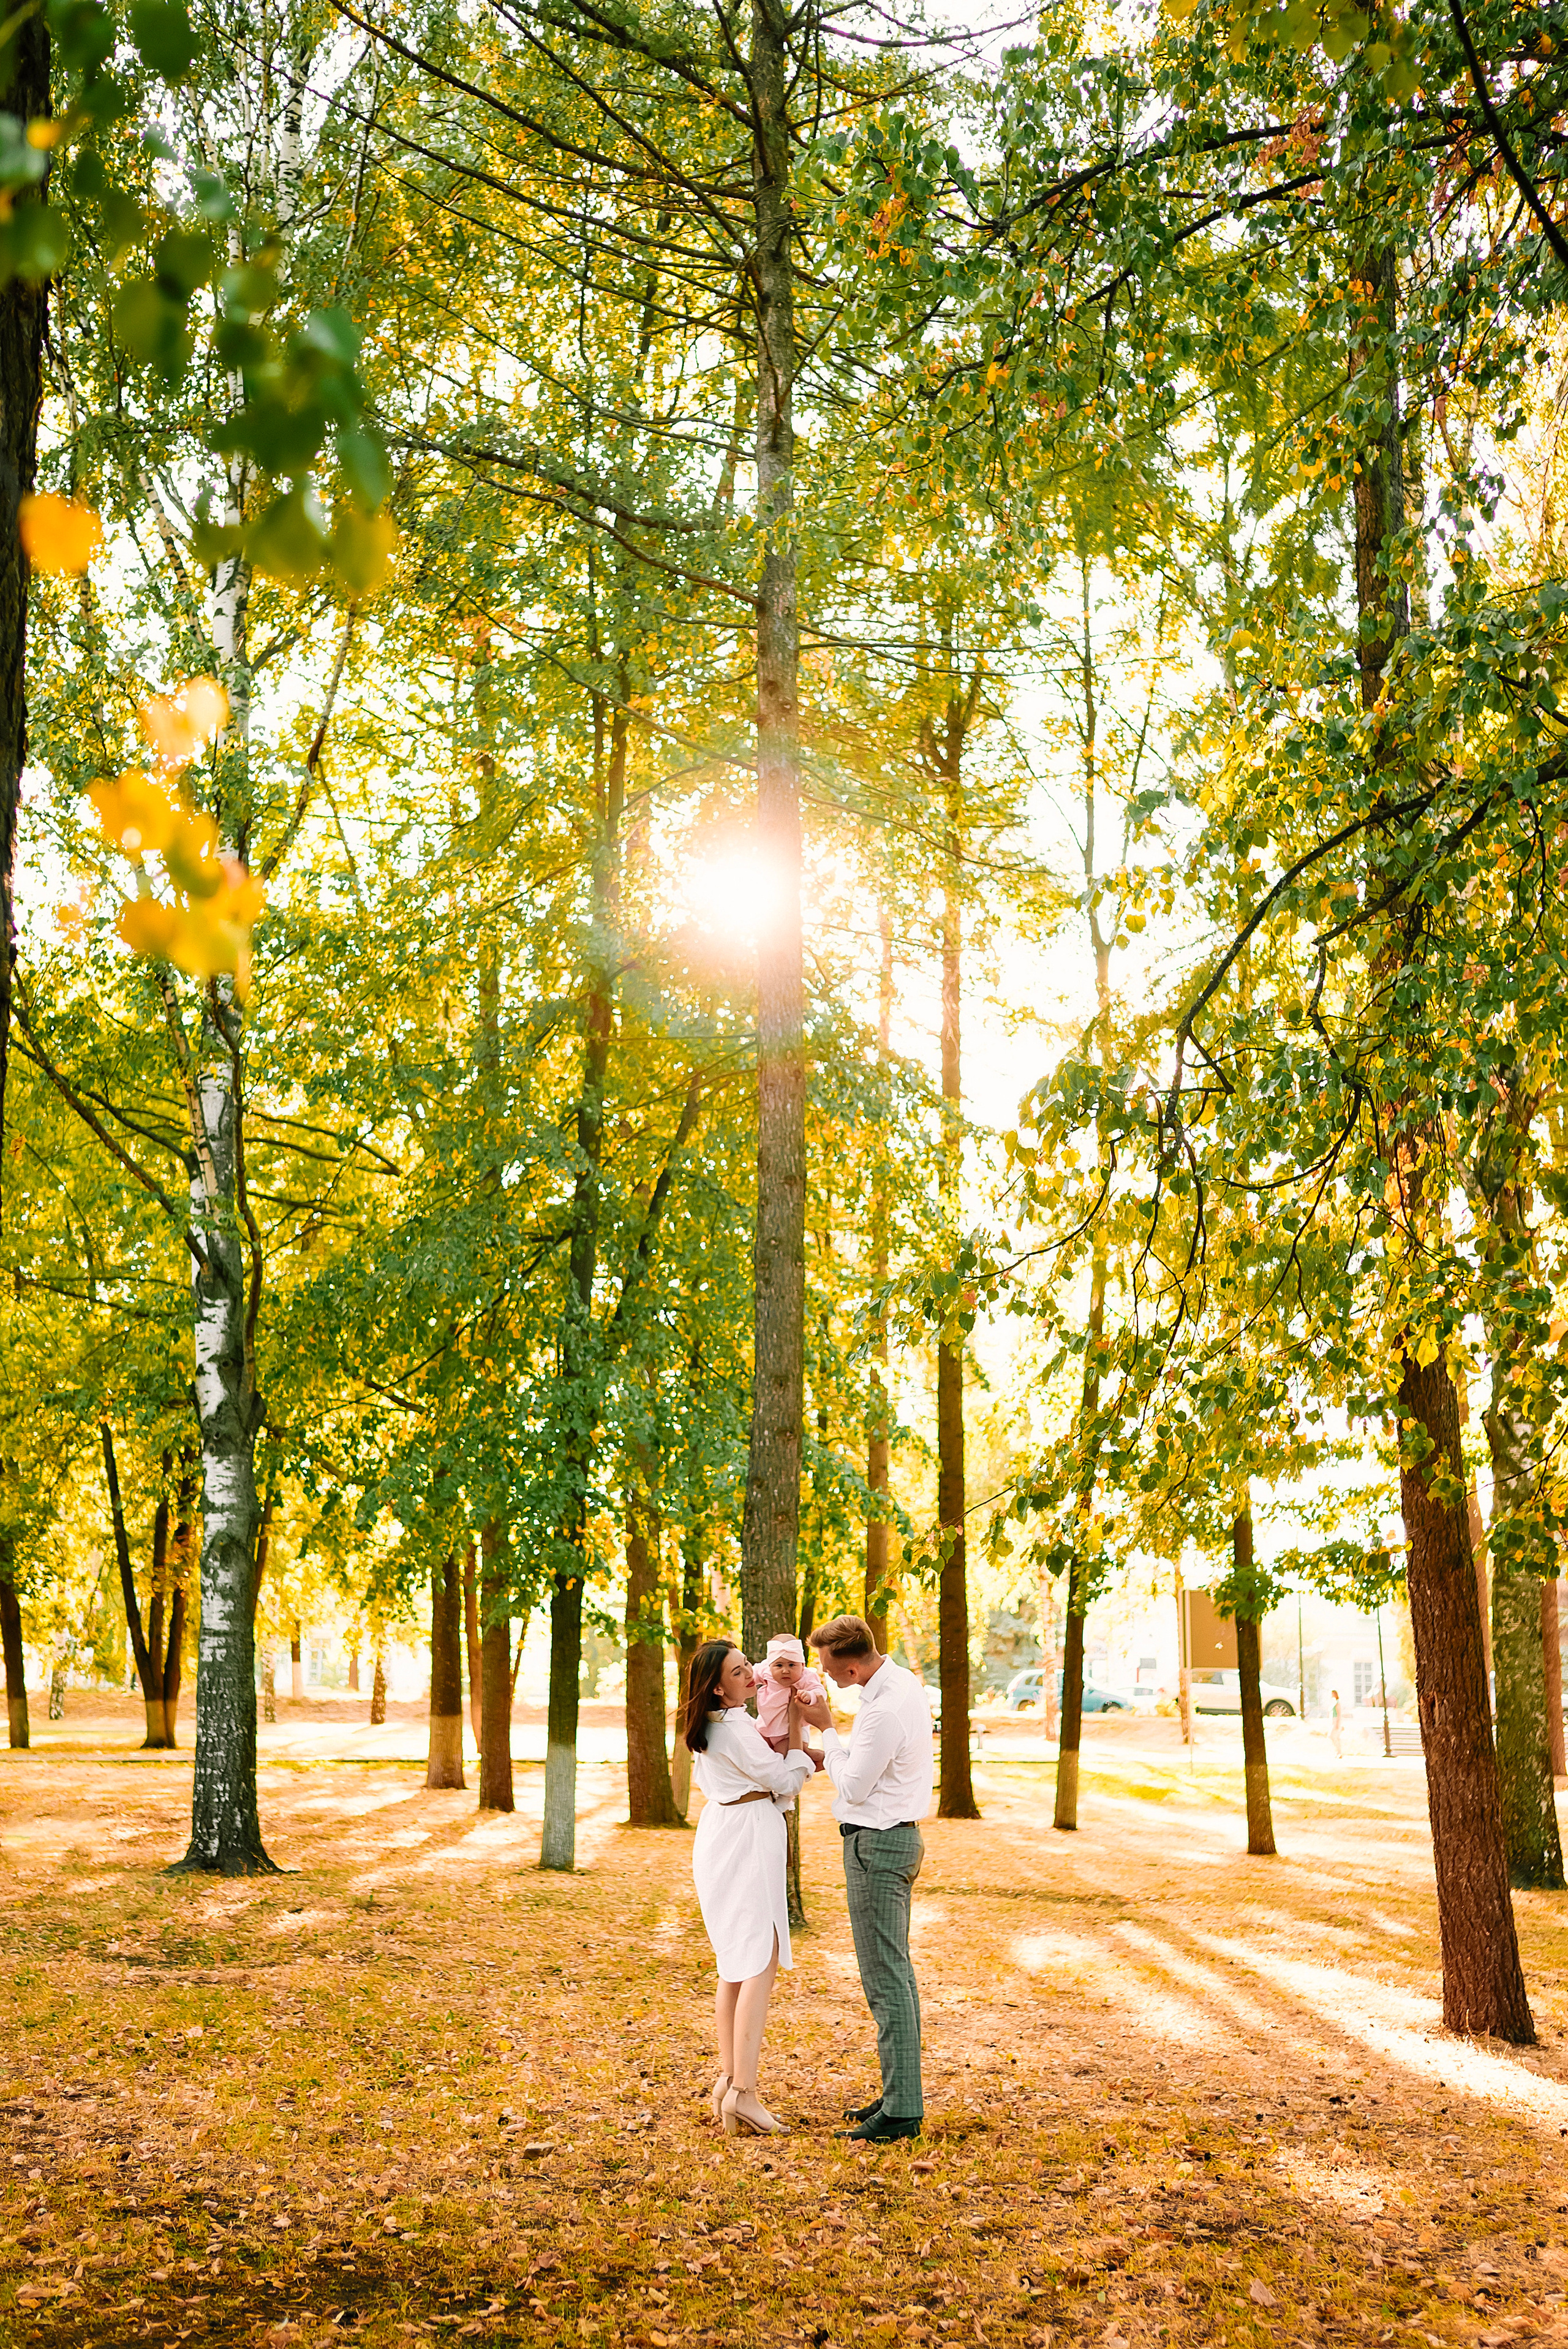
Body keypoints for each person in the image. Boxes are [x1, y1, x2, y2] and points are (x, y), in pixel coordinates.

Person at [797, 1613, 933, 2144]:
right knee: (896, 1976)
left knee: (885, 1981)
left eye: (832, 1672)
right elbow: (869, 1767)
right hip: (893, 1838)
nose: (827, 1680)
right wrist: (828, 1753)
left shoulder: (882, 1712)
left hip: (877, 1846)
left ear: (853, 1667)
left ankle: (902, 2112)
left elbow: (854, 1788)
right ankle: (901, 2092)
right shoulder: (900, 1686)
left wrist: (828, 1730)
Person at [680, 1638, 816, 2138]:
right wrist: (799, 1733)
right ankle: (745, 2092)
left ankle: (731, 2079)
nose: (754, 1677)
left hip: (727, 1832)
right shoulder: (733, 1726)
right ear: (718, 1687)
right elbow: (783, 1779)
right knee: (758, 1957)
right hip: (744, 1837)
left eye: (748, 1668)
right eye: (742, 1673)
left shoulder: (719, 1724)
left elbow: (772, 1771)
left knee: (737, 1964)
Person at [751, 1634, 827, 1772]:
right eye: (779, 1665)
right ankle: (808, 1754)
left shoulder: (805, 1677)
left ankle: (804, 1757)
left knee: (779, 1759)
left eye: (792, 1665)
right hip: (766, 1726)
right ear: (770, 1665)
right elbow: (751, 1675)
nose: (785, 1670)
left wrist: (810, 1696)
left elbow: (820, 1692)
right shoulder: (766, 1671)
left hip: (790, 1734)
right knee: (758, 1752)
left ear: (802, 1665)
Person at [1330, 1687, 1345, 1760]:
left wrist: (1337, 1724)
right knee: (1335, 1738)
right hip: (1334, 1721)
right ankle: (1338, 1752)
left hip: (1336, 1722)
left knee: (1333, 1736)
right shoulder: (1334, 1702)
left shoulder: (1338, 1703)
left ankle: (1339, 1752)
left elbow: (1339, 1714)